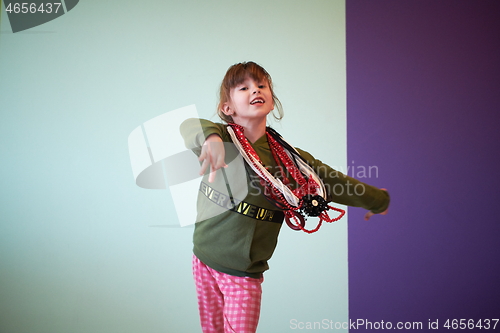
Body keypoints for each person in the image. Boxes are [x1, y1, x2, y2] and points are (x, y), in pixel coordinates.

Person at [180, 61, 389, 333]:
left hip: (243, 271)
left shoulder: (292, 162)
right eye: (243, 87)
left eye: (261, 85)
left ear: (271, 99)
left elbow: (335, 182)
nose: (255, 90)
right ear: (227, 108)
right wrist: (209, 138)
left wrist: (378, 200)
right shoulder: (222, 137)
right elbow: (189, 125)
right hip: (203, 256)